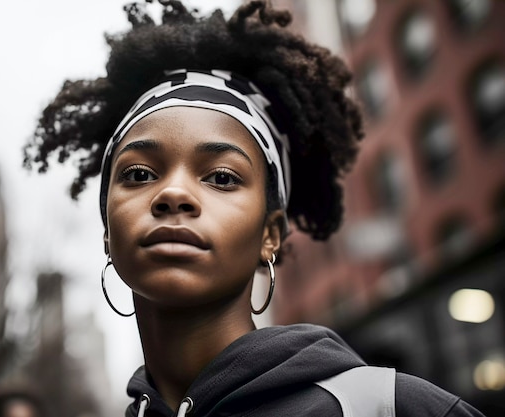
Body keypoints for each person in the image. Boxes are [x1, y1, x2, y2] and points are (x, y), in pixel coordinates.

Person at [24, 1, 486, 416]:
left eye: (222, 177)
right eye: (139, 174)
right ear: (107, 228)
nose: (173, 194)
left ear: (271, 232)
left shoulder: (391, 408)